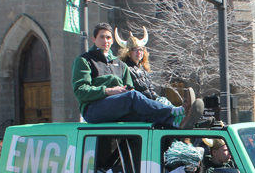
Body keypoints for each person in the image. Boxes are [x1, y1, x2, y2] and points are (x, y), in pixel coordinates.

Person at [72, 23, 203, 129]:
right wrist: (109, 91)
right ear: (94, 39)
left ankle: (179, 123)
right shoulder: (84, 60)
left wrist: (126, 92)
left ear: (112, 40)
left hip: (117, 107)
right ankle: (175, 111)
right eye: (101, 37)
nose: (105, 40)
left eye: (108, 37)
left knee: (142, 112)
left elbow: (129, 88)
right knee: (132, 97)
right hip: (93, 110)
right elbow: (80, 91)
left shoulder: (120, 64)